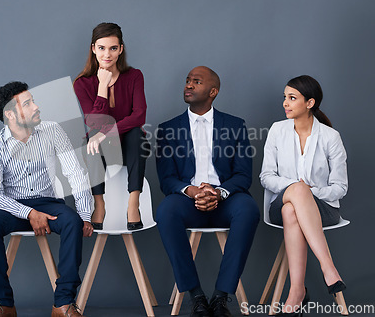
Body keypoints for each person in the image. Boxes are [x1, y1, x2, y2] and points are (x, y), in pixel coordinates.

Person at [0, 81, 93, 317]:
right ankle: (4, 304)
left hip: (47, 202)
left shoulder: (52, 130)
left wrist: (84, 214)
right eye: (28, 103)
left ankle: (63, 303)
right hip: (11, 207)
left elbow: (76, 172)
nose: (36, 107)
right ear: (10, 114)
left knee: (72, 221)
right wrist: (29, 214)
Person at [156, 66, 260, 317]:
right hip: (187, 202)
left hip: (226, 200)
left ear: (213, 91)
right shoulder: (168, 128)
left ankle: (221, 297)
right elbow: (167, 179)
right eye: (187, 81)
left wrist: (218, 193)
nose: (188, 85)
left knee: (248, 209)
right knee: (166, 210)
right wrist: (192, 191)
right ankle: (197, 296)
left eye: (197, 82)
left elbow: (244, 175)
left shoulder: (235, 125)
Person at [260, 75, 347, 316]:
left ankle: (296, 291)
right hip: (280, 204)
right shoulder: (277, 130)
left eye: (292, 98)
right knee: (293, 198)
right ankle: (328, 268)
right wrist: (296, 188)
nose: (285, 103)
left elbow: (340, 187)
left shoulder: (331, 137)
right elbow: (266, 176)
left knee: (293, 209)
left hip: (323, 210)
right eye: (285, 98)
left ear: (310, 103)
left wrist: (310, 192)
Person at [73, 22, 149, 231]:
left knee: (136, 133)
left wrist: (107, 131)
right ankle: (99, 204)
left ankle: (133, 203)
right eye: (102, 48)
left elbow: (139, 115)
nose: (107, 54)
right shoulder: (82, 83)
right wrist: (102, 86)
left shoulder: (134, 76)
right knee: (92, 138)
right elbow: (96, 122)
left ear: (121, 49)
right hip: (102, 150)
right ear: (93, 49)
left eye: (113, 48)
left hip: (131, 148)